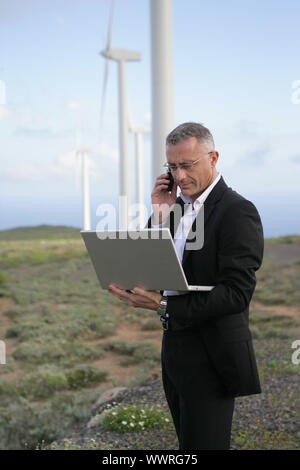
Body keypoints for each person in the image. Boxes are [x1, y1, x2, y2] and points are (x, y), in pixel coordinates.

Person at [108, 122, 264, 450]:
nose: (179, 177)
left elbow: (236, 294)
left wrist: (163, 306)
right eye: (172, 167)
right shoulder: (176, 208)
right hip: (174, 347)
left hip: (213, 353)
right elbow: (156, 265)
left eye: (187, 165)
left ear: (213, 158)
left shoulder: (237, 212)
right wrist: (159, 214)